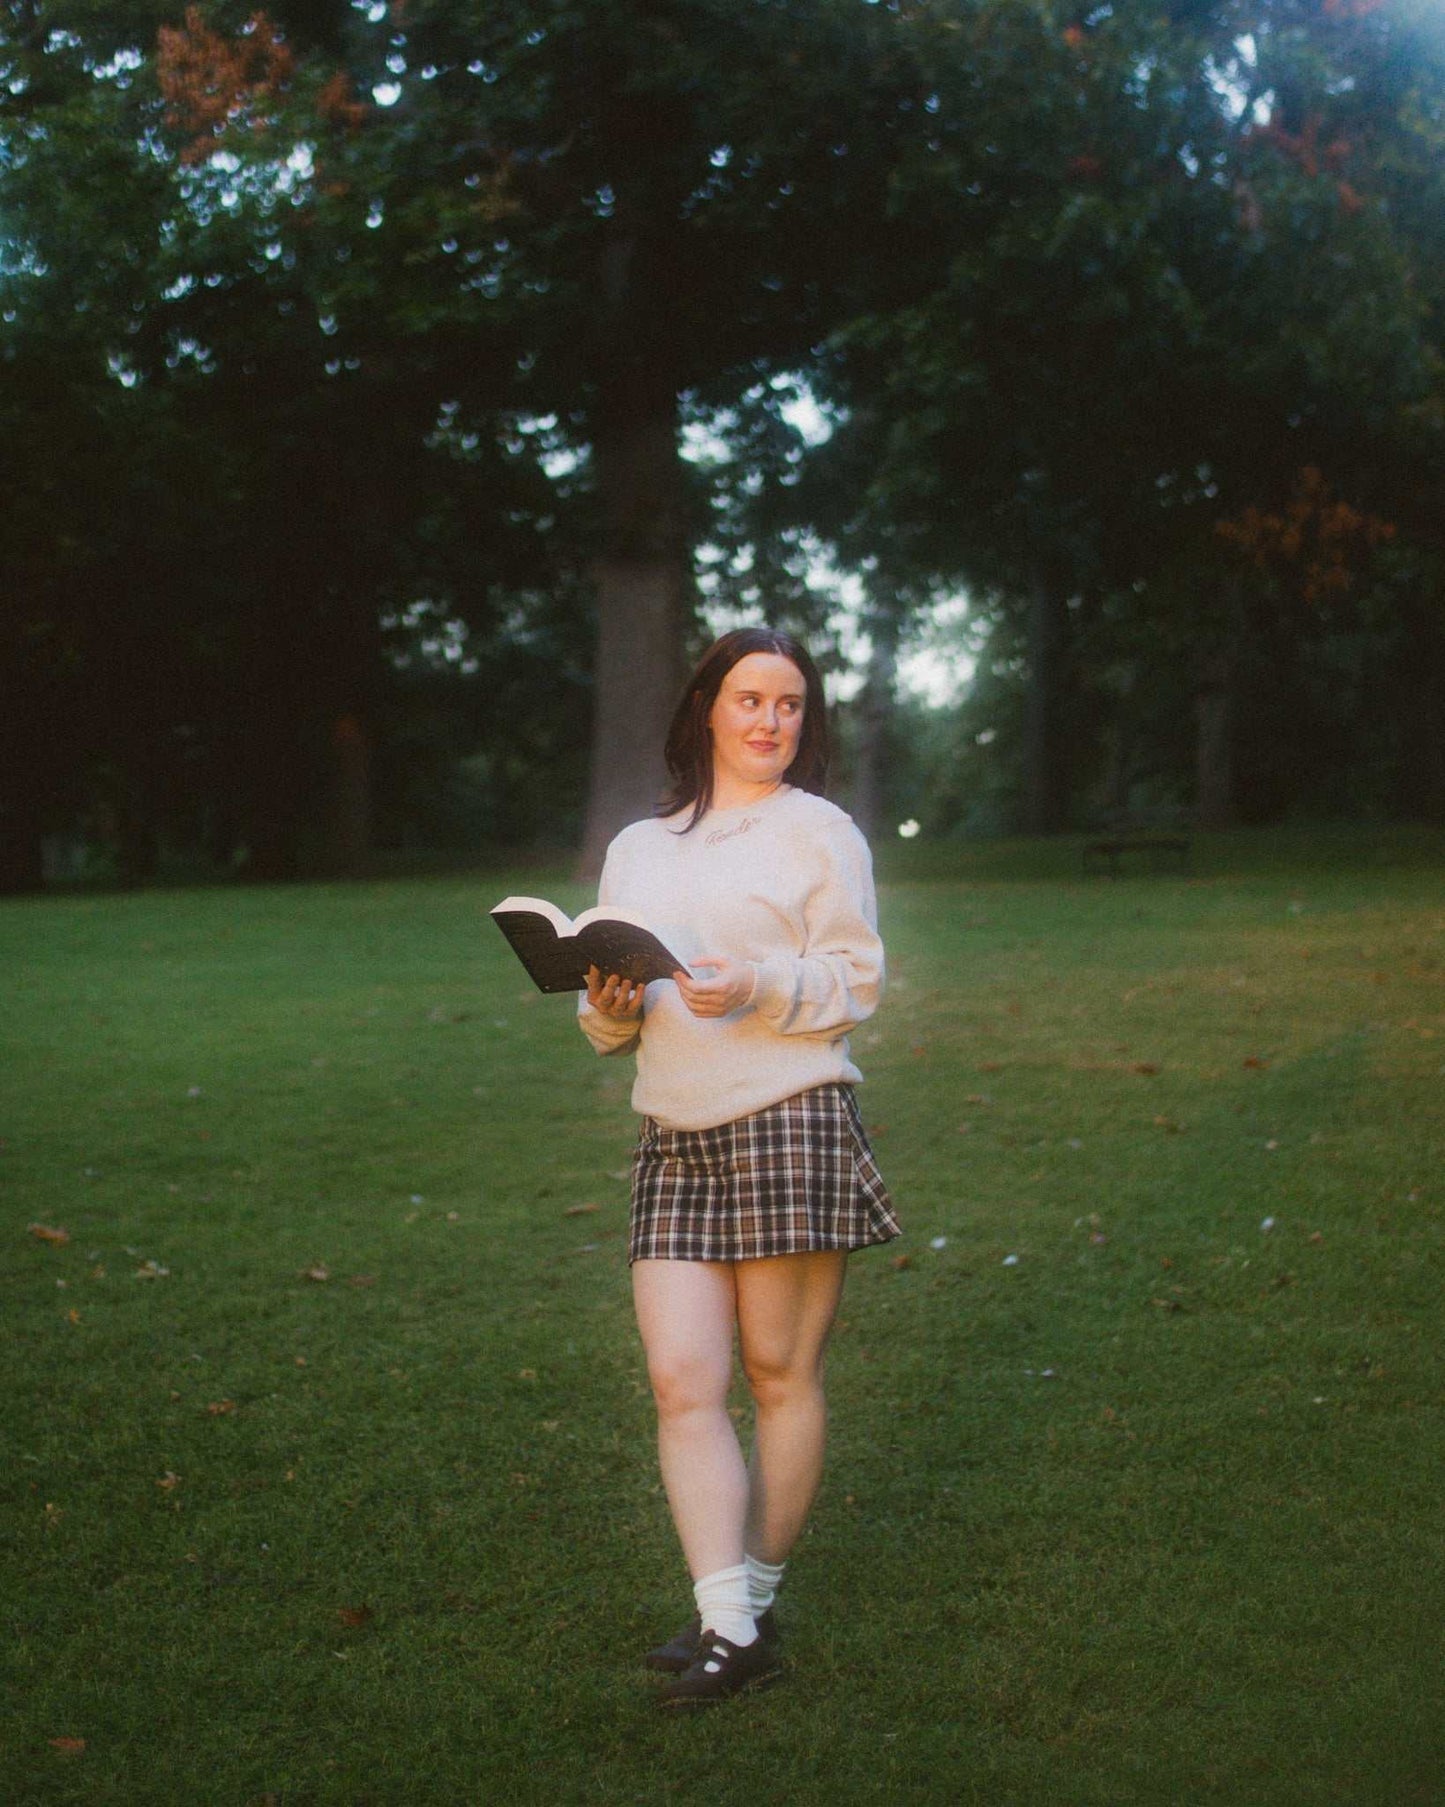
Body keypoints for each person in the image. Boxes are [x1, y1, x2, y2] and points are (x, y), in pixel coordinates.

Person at [578, 626, 900, 1708]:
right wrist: (608, 1007)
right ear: (706, 707)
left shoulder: (821, 833)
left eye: (790, 704)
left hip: (787, 1114)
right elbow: (606, 1016)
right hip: (671, 1126)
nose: (769, 720)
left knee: (776, 1375)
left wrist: (758, 980)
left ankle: (740, 1615)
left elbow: (855, 980)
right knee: (681, 1381)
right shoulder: (640, 846)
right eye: (750, 698)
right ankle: (729, 1621)